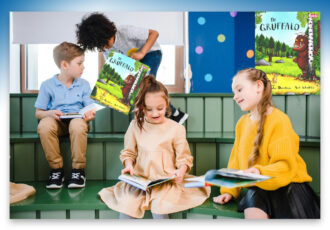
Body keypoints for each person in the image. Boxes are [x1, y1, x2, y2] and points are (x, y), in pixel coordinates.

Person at [213, 68, 320, 219]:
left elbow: (285, 166)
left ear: (258, 86)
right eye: (234, 92)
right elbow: (235, 162)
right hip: (258, 188)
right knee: (253, 206)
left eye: (239, 90)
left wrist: (259, 172)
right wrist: (229, 191)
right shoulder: (242, 124)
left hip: (287, 189)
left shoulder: (279, 120)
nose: (235, 97)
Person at [98, 75, 210, 219]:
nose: (155, 113)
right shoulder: (135, 126)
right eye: (149, 109)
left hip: (165, 183)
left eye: (160, 108)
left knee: (160, 210)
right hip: (140, 182)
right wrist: (128, 165)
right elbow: (129, 153)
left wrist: (181, 172)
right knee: (126, 208)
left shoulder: (176, 128)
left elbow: (184, 158)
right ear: (142, 107)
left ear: (167, 104)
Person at [75, 12, 188, 124]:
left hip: (151, 53)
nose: (106, 47)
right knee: (134, 90)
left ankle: (173, 114)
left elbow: (154, 33)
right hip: (132, 63)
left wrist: (142, 53)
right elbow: (114, 66)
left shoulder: (125, 31)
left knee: (147, 86)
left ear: (108, 32)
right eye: (101, 46)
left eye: (106, 42)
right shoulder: (104, 47)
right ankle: (174, 114)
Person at [35, 42, 96, 189]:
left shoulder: (84, 84)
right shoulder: (47, 85)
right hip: (58, 123)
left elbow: (90, 108)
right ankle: (56, 170)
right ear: (64, 65)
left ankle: (78, 171)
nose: (83, 67)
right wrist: (48, 113)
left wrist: (90, 114)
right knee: (44, 125)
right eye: (80, 63)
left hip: (78, 123)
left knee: (76, 124)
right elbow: (38, 113)